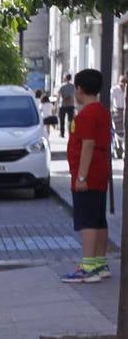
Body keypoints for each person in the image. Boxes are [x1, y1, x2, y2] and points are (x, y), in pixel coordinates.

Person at [62, 69, 113, 283]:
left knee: (87, 220)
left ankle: (88, 266)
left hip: (88, 174)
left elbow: (88, 144)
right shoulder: (102, 111)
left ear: (79, 89)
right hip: (100, 171)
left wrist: (81, 177)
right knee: (98, 218)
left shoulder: (86, 115)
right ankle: (100, 263)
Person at [110, 75, 125, 159]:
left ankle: (123, 150)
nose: (122, 84)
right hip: (117, 111)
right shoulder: (114, 90)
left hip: (125, 111)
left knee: (124, 131)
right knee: (116, 132)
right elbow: (111, 100)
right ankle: (117, 150)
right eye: (121, 82)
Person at [58, 73, 77, 138]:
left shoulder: (62, 86)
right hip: (71, 104)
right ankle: (71, 133)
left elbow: (59, 95)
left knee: (62, 120)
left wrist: (56, 105)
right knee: (71, 120)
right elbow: (74, 95)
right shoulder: (73, 86)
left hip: (63, 105)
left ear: (65, 78)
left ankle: (62, 133)